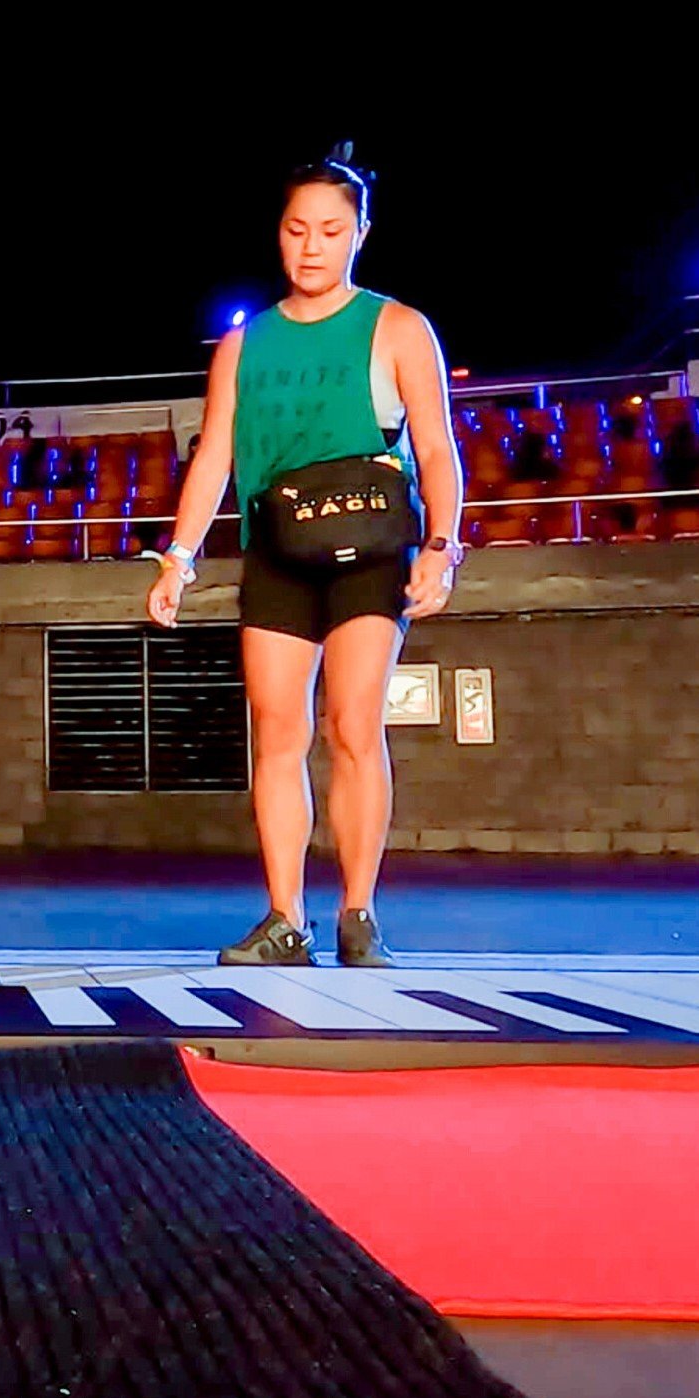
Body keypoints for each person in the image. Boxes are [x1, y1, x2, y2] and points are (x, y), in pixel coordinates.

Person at [147, 145, 464, 967]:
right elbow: (213, 455)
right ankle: (285, 918)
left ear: (360, 232)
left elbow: (437, 447)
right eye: (296, 230)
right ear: (278, 236)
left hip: (370, 545)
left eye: (330, 229)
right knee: (278, 732)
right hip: (278, 549)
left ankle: (358, 914)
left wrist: (442, 546)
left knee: (353, 723)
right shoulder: (242, 345)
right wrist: (177, 558)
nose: (312, 246)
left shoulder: (397, 326)